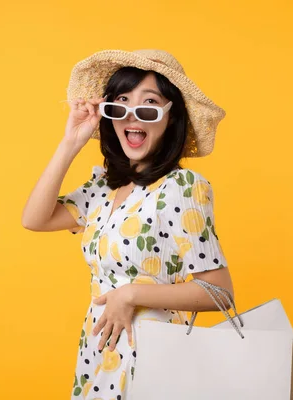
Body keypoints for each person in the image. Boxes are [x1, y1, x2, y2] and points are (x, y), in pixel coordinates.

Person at [21, 49, 235, 400]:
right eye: (120, 104)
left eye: (148, 105)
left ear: (170, 118)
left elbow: (220, 293)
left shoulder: (183, 187)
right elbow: (34, 219)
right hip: (101, 353)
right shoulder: (103, 188)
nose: (132, 115)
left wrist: (131, 294)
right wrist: (71, 142)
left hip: (155, 357)